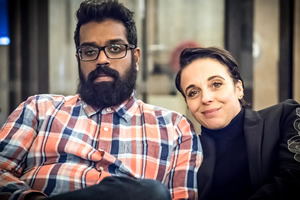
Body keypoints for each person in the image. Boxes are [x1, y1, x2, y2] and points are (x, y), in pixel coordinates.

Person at [0, 1, 203, 200]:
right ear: (78, 59)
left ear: (136, 58)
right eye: (89, 51)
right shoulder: (38, 109)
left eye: (115, 48)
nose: (102, 60)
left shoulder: (175, 128)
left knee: (151, 193)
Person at [175, 46, 300, 200]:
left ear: (238, 88)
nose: (206, 98)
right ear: (188, 105)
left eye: (216, 84)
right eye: (193, 93)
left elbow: (294, 181)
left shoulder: (286, 116)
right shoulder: (187, 151)